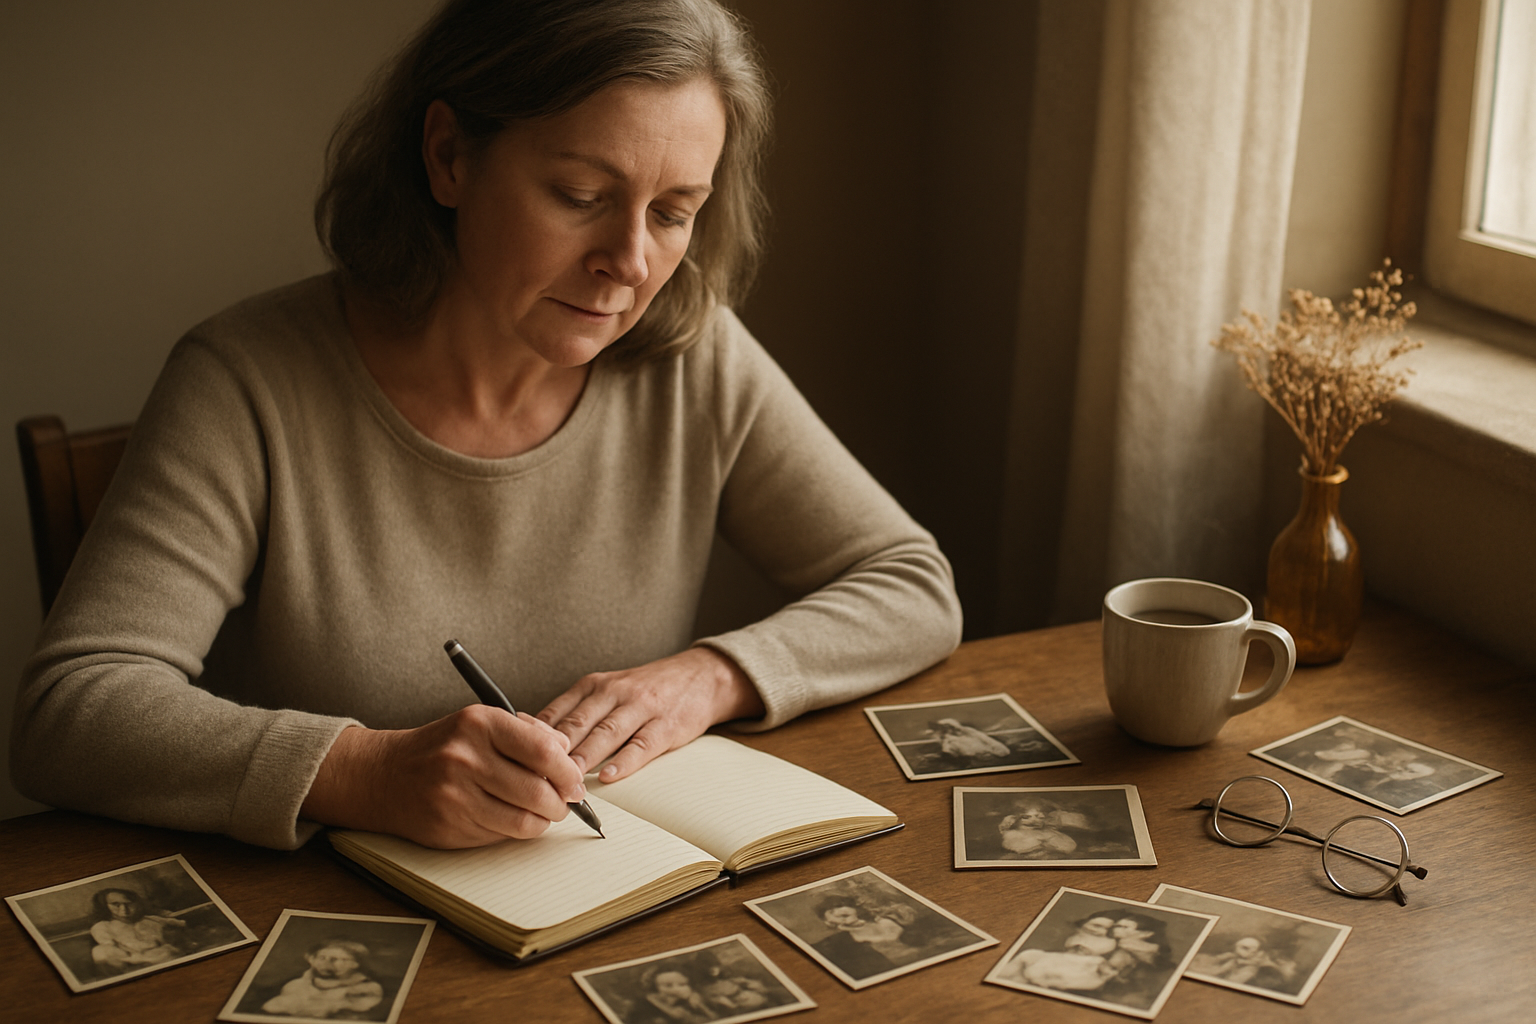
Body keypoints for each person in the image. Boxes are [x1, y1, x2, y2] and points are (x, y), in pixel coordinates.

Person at [11, 0, 961, 851]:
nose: (629, 262)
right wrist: (363, 771)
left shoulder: (693, 354)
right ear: (449, 156)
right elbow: (72, 713)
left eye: (675, 213)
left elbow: (912, 585)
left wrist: (709, 677)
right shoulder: (247, 380)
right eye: (582, 197)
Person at [262, 939, 384, 1019]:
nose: (326, 963)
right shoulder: (295, 985)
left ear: (355, 964)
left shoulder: (367, 988)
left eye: (335, 959)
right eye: (321, 958)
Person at [810, 896, 924, 979]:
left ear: (855, 908)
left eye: (840, 905)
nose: (837, 911)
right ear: (828, 921)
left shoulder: (890, 920)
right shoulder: (836, 943)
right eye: (830, 911)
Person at [87, 888, 187, 975]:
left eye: (128, 903)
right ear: (105, 906)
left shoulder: (150, 919)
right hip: (134, 965)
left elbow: (180, 924)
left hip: (168, 957)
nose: (124, 908)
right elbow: (110, 949)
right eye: (115, 904)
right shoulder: (102, 926)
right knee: (99, 951)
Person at [628, 963, 718, 1024]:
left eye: (682, 984)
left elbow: (716, 1019)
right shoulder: (645, 1007)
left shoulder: (693, 1000)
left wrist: (702, 1006)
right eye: (668, 986)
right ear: (655, 988)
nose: (676, 989)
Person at [997, 799, 1078, 859]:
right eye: (1026, 817)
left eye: (1039, 816)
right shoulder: (1014, 834)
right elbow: (1022, 848)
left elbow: (1068, 846)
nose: (1039, 818)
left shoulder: (1048, 831)